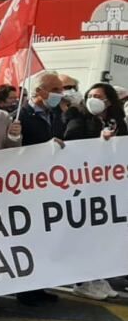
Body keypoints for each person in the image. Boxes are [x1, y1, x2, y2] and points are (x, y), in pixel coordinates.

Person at [63, 83, 126, 300]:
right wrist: (99, 141)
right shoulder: (78, 115)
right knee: (85, 234)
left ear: (109, 100)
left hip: (107, 185)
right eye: (90, 95)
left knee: (102, 235)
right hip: (83, 185)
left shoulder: (116, 120)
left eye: (98, 96)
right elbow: (71, 141)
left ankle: (98, 277)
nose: (93, 99)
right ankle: (83, 281)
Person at [15, 70, 66, 306]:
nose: (60, 94)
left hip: (48, 186)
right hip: (26, 187)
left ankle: (39, 285)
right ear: (39, 91)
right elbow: (17, 150)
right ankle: (24, 290)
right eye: (55, 89)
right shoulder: (21, 116)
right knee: (28, 239)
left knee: (45, 237)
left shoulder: (55, 114)